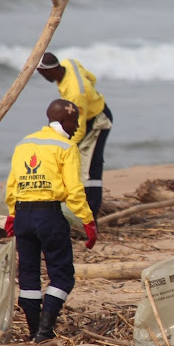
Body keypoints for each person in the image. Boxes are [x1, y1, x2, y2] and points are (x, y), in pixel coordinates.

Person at [4, 99, 98, 343]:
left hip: (23, 216)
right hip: (49, 216)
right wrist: (88, 221)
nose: (77, 127)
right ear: (64, 120)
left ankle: (34, 332)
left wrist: (12, 214)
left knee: (28, 276)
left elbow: (12, 184)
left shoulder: (23, 144)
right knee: (63, 276)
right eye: (75, 121)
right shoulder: (66, 147)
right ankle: (45, 331)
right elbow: (75, 191)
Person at [36, 52, 113, 222]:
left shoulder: (76, 94)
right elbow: (92, 78)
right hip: (88, 113)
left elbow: (79, 130)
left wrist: (66, 147)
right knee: (78, 164)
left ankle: (90, 219)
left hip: (97, 121)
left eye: (43, 73)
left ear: (53, 69)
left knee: (89, 169)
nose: (43, 77)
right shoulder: (70, 63)